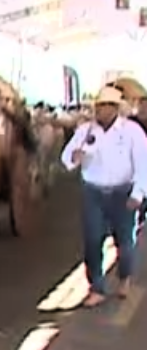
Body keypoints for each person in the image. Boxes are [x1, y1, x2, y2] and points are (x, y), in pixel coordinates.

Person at [60, 86, 147, 308]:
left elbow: (143, 164)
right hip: (94, 192)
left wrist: (138, 193)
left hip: (122, 191)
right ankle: (96, 287)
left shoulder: (132, 132)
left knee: (125, 242)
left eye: (106, 107)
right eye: (98, 107)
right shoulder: (85, 130)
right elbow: (66, 157)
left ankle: (124, 277)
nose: (100, 111)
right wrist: (74, 157)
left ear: (115, 109)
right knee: (92, 240)